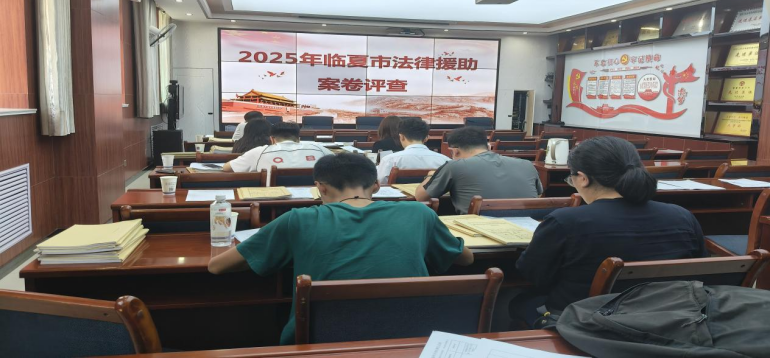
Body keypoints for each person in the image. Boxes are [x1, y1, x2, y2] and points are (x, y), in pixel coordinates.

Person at [209, 152, 473, 344]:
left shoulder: (298, 219)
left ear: (320, 188)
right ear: (376, 186)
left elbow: (217, 266)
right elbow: (466, 259)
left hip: (319, 341)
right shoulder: (419, 213)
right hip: (410, 339)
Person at [513, 136, 707, 327]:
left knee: (518, 302)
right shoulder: (682, 216)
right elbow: (699, 269)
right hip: (670, 319)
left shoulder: (565, 221)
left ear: (583, 179)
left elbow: (533, 274)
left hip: (586, 321)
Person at [414, 127, 542, 214]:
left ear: (455, 151)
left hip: (479, 232)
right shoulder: (527, 165)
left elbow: (421, 197)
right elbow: (538, 195)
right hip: (529, 231)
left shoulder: (454, 166)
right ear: (488, 147)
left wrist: (431, 176)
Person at [224, 122, 333, 182]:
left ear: (271, 139)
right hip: (316, 202)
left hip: (274, 205)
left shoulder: (260, 152)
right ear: (298, 139)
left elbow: (227, 168)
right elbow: (338, 164)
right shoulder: (319, 148)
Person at [377, 118, 450, 184]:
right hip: (433, 195)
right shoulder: (445, 161)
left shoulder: (389, 160)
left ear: (401, 137)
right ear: (426, 138)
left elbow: (381, 184)